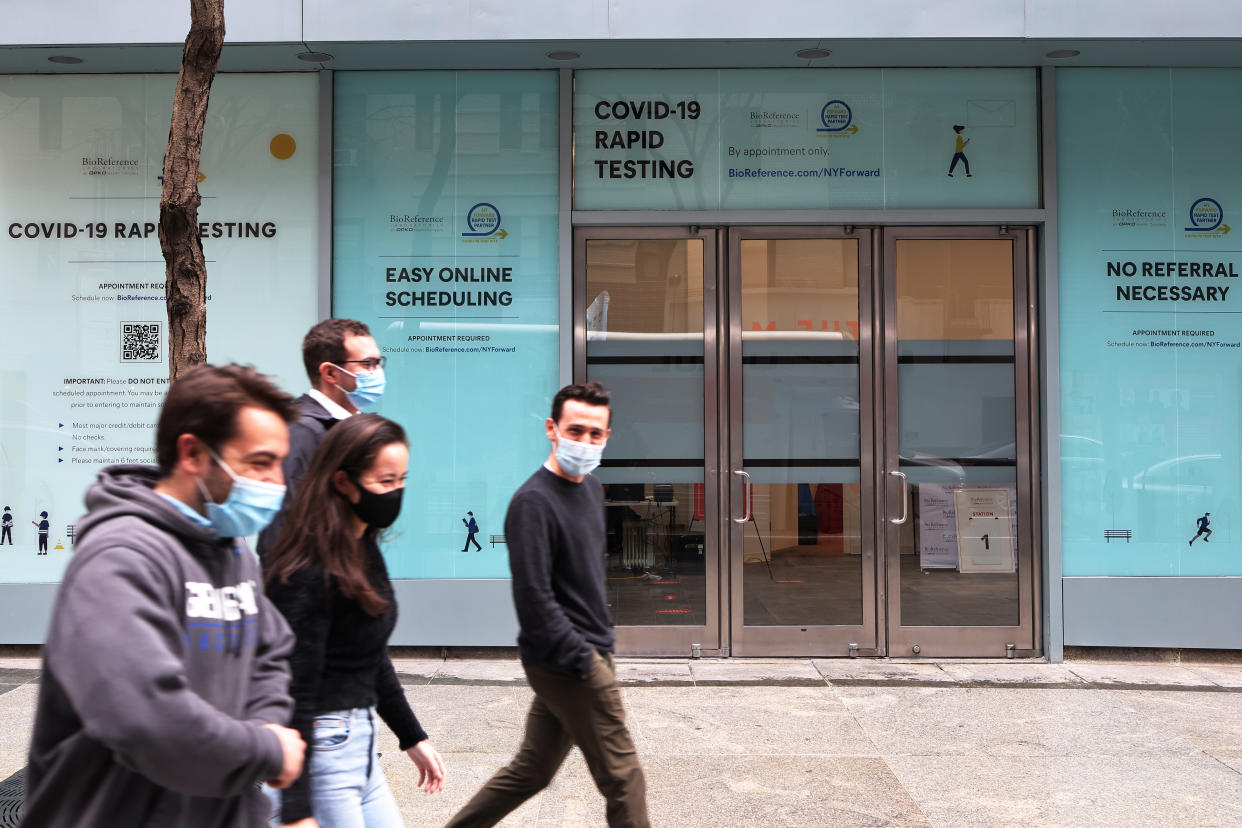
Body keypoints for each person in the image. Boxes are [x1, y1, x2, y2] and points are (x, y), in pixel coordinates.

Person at [22, 364, 307, 827]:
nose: (277, 482)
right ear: (192, 452)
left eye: (278, 462)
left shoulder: (232, 551)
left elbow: (270, 654)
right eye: (259, 462)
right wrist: (265, 748)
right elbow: (142, 716)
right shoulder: (119, 559)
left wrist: (263, 726)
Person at [446, 381, 649, 828]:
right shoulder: (533, 502)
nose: (585, 442)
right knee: (624, 777)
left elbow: (584, 581)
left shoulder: (592, 490)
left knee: (531, 771)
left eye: (596, 434)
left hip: (588, 650)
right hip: (567, 659)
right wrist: (583, 659)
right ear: (551, 429)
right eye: (575, 431)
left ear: (608, 436)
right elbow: (533, 597)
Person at [263, 414, 446, 827]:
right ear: (343, 482)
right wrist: (295, 809)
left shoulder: (361, 545)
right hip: (321, 749)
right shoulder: (307, 570)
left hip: (359, 745)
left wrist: (411, 735)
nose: (396, 492)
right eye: (385, 481)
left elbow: (367, 653)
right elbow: (290, 687)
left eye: (401, 479)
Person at [257, 318, 385, 563]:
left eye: (378, 363)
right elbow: (283, 532)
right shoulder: (301, 431)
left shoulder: (352, 426)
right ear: (330, 373)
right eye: (367, 364)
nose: (376, 372)